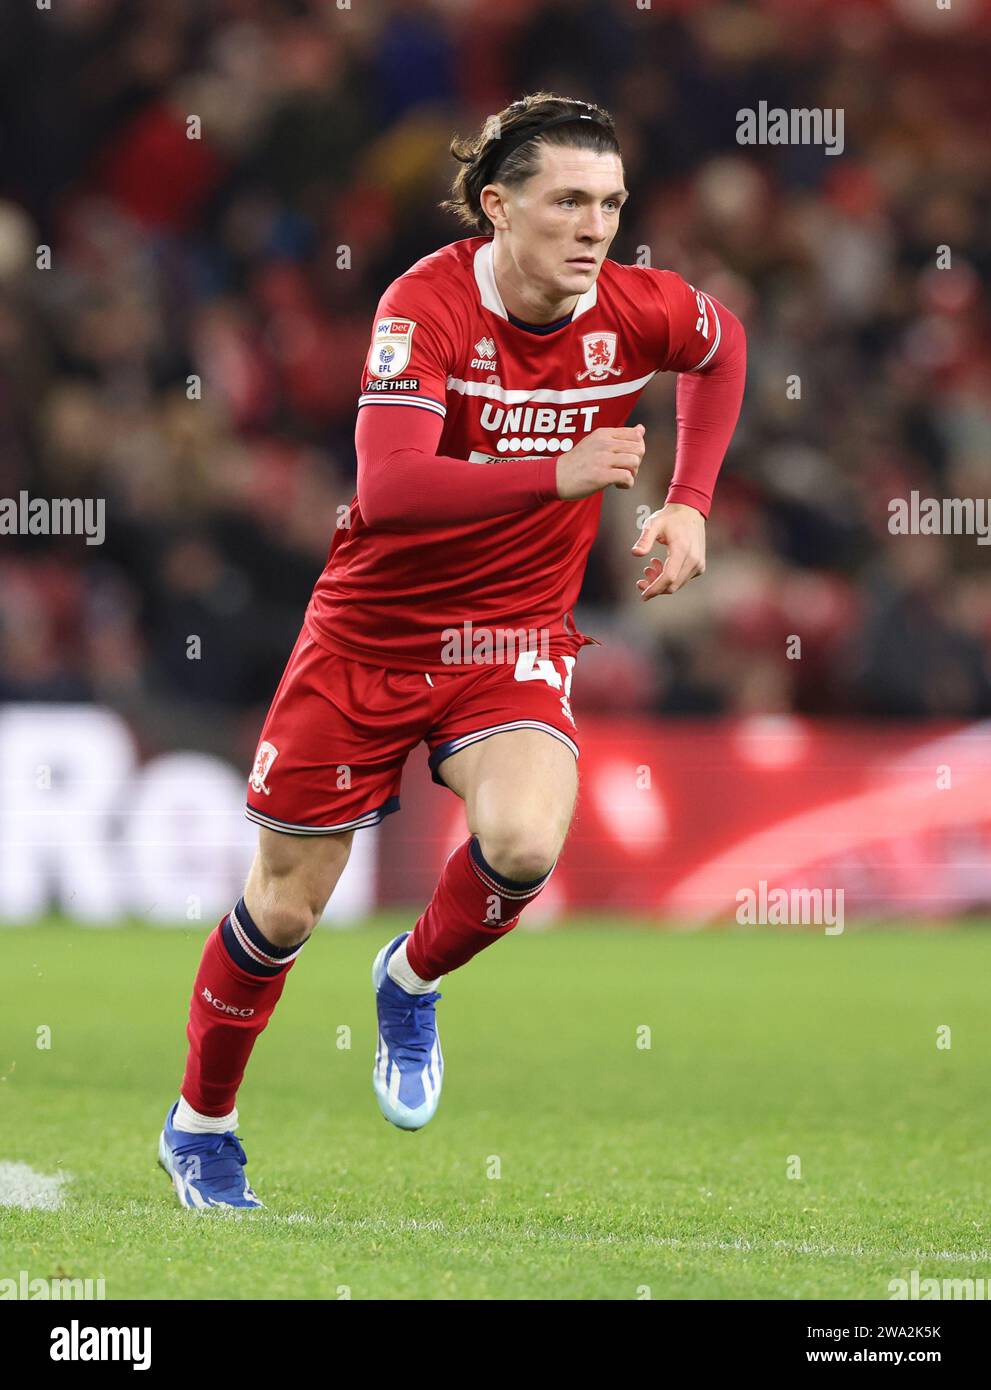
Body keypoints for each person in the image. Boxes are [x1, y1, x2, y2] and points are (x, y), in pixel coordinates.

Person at [158, 92, 746, 1209]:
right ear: (497, 206)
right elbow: (387, 488)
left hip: (510, 634)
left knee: (523, 840)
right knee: (283, 906)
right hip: (370, 635)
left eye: (611, 204)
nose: (594, 227)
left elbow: (724, 346)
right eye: (567, 201)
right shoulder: (421, 306)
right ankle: (203, 1124)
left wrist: (691, 502)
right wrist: (559, 470)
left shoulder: (637, 309)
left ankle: (410, 978)